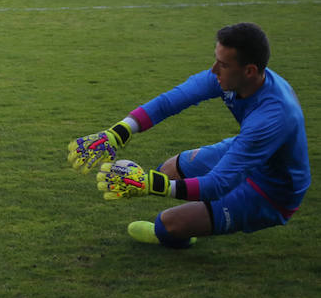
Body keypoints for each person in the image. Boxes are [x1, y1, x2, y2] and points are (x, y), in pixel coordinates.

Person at [68, 23, 310, 249]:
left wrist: (148, 184)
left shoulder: (271, 118)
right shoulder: (236, 79)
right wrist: (116, 134)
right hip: (245, 150)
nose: (214, 70)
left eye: (223, 64)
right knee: (169, 170)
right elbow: (169, 102)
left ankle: (195, 225)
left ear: (249, 70)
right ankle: (205, 215)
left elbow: (216, 185)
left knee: (167, 226)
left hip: (271, 190)